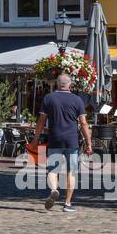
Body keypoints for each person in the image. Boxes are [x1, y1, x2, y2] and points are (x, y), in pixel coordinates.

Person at [33, 73, 93, 213]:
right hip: (72, 140)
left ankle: (54, 190)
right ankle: (67, 204)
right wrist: (89, 143)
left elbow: (41, 121)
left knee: (53, 170)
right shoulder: (77, 100)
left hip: (55, 139)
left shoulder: (49, 98)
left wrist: (36, 139)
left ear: (57, 84)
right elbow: (83, 123)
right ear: (70, 85)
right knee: (71, 172)